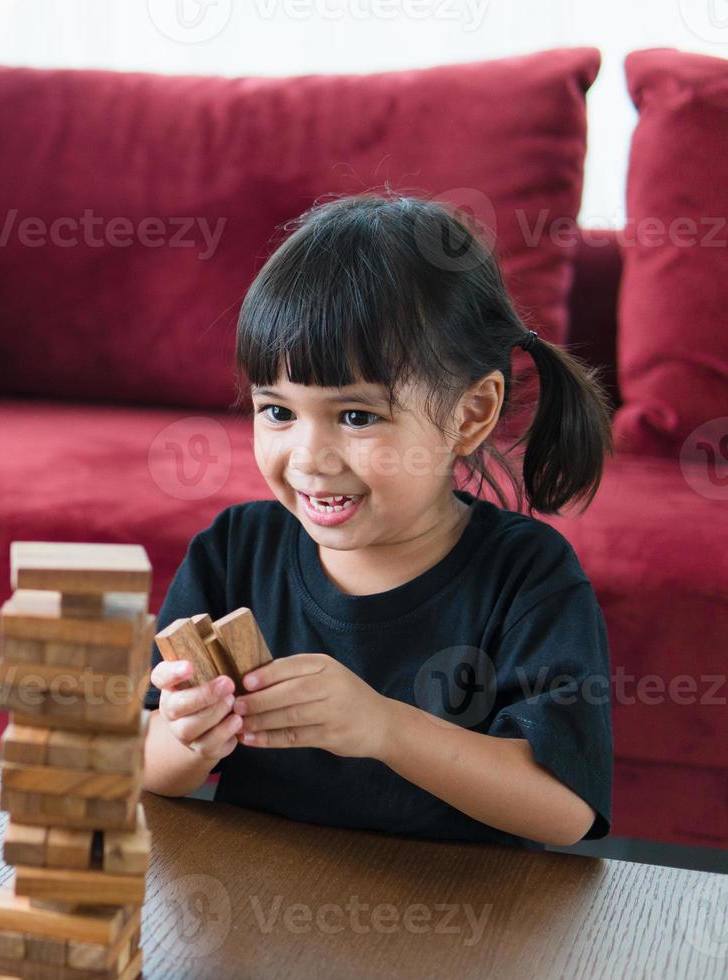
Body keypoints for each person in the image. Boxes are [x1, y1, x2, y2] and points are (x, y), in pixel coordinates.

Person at [143, 195, 614, 847]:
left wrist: (383, 729)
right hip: (263, 908)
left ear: (470, 415)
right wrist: (187, 736)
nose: (309, 457)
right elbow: (145, 761)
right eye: (276, 411)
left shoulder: (529, 578)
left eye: (357, 416)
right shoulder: (232, 552)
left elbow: (567, 809)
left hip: (466, 923)